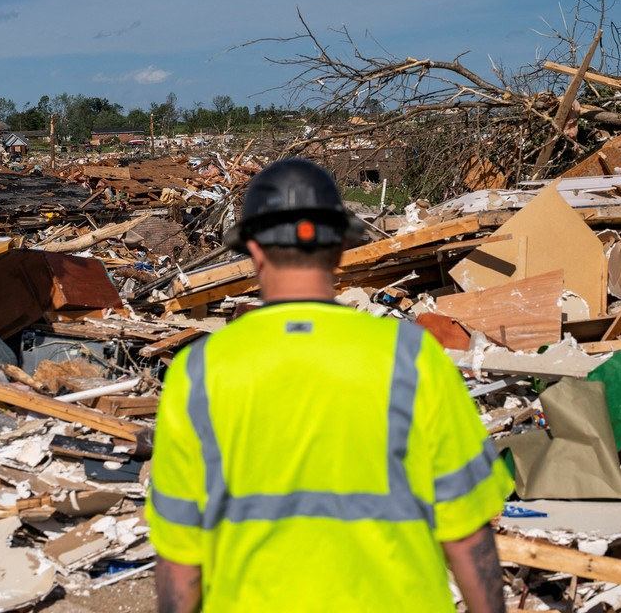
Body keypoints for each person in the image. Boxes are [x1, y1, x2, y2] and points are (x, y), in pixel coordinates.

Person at [147, 158, 511, 612]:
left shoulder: (199, 371)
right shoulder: (411, 358)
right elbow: (467, 534)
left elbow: (181, 559)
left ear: (254, 251)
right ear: (340, 247)